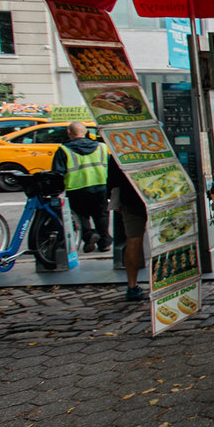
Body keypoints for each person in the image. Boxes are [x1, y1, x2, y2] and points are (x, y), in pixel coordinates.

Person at [51, 121, 110, 253]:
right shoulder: (101, 147)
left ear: (68, 132)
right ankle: (104, 243)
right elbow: (111, 168)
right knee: (101, 215)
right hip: (100, 186)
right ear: (86, 132)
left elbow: (58, 173)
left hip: (76, 189)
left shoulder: (64, 150)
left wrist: (56, 192)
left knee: (80, 216)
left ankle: (88, 236)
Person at [107, 157, 147, 301]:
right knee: (164, 240)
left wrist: (111, 198)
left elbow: (112, 178)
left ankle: (132, 285)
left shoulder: (118, 143)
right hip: (158, 195)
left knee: (133, 241)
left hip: (130, 198)